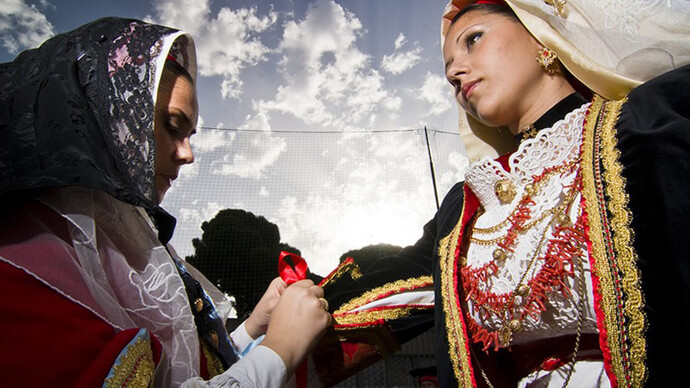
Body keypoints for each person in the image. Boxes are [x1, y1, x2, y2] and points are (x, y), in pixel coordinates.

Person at [322, 0, 690, 387]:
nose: (456, 74)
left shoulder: (649, 122)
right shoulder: (466, 205)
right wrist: (288, 312)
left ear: (540, 36)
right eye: (448, 72)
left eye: (473, 40)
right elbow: (395, 285)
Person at [0, 17, 330, 387]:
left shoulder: (122, 230)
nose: (188, 154)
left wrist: (255, 325)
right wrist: (281, 351)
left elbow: (178, 373)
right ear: (107, 117)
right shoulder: (22, 260)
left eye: (190, 134)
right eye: (173, 126)